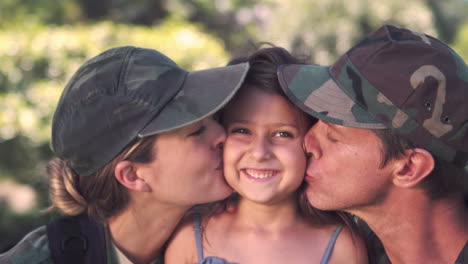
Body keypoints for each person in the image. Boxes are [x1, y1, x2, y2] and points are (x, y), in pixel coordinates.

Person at [0, 46, 249, 264]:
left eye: (215, 119)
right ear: (133, 175)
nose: (223, 135)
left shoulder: (230, 238)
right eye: (196, 132)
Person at [277, 24, 468, 264]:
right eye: (316, 121)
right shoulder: (342, 252)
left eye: (333, 136)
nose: (306, 142)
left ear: (410, 168)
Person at [164, 47, 369, 264]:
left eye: (283, 134)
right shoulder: (189, 236)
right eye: (242, 131)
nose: (260, 153)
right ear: (221, 137)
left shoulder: (342, 246)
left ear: (309, 143)